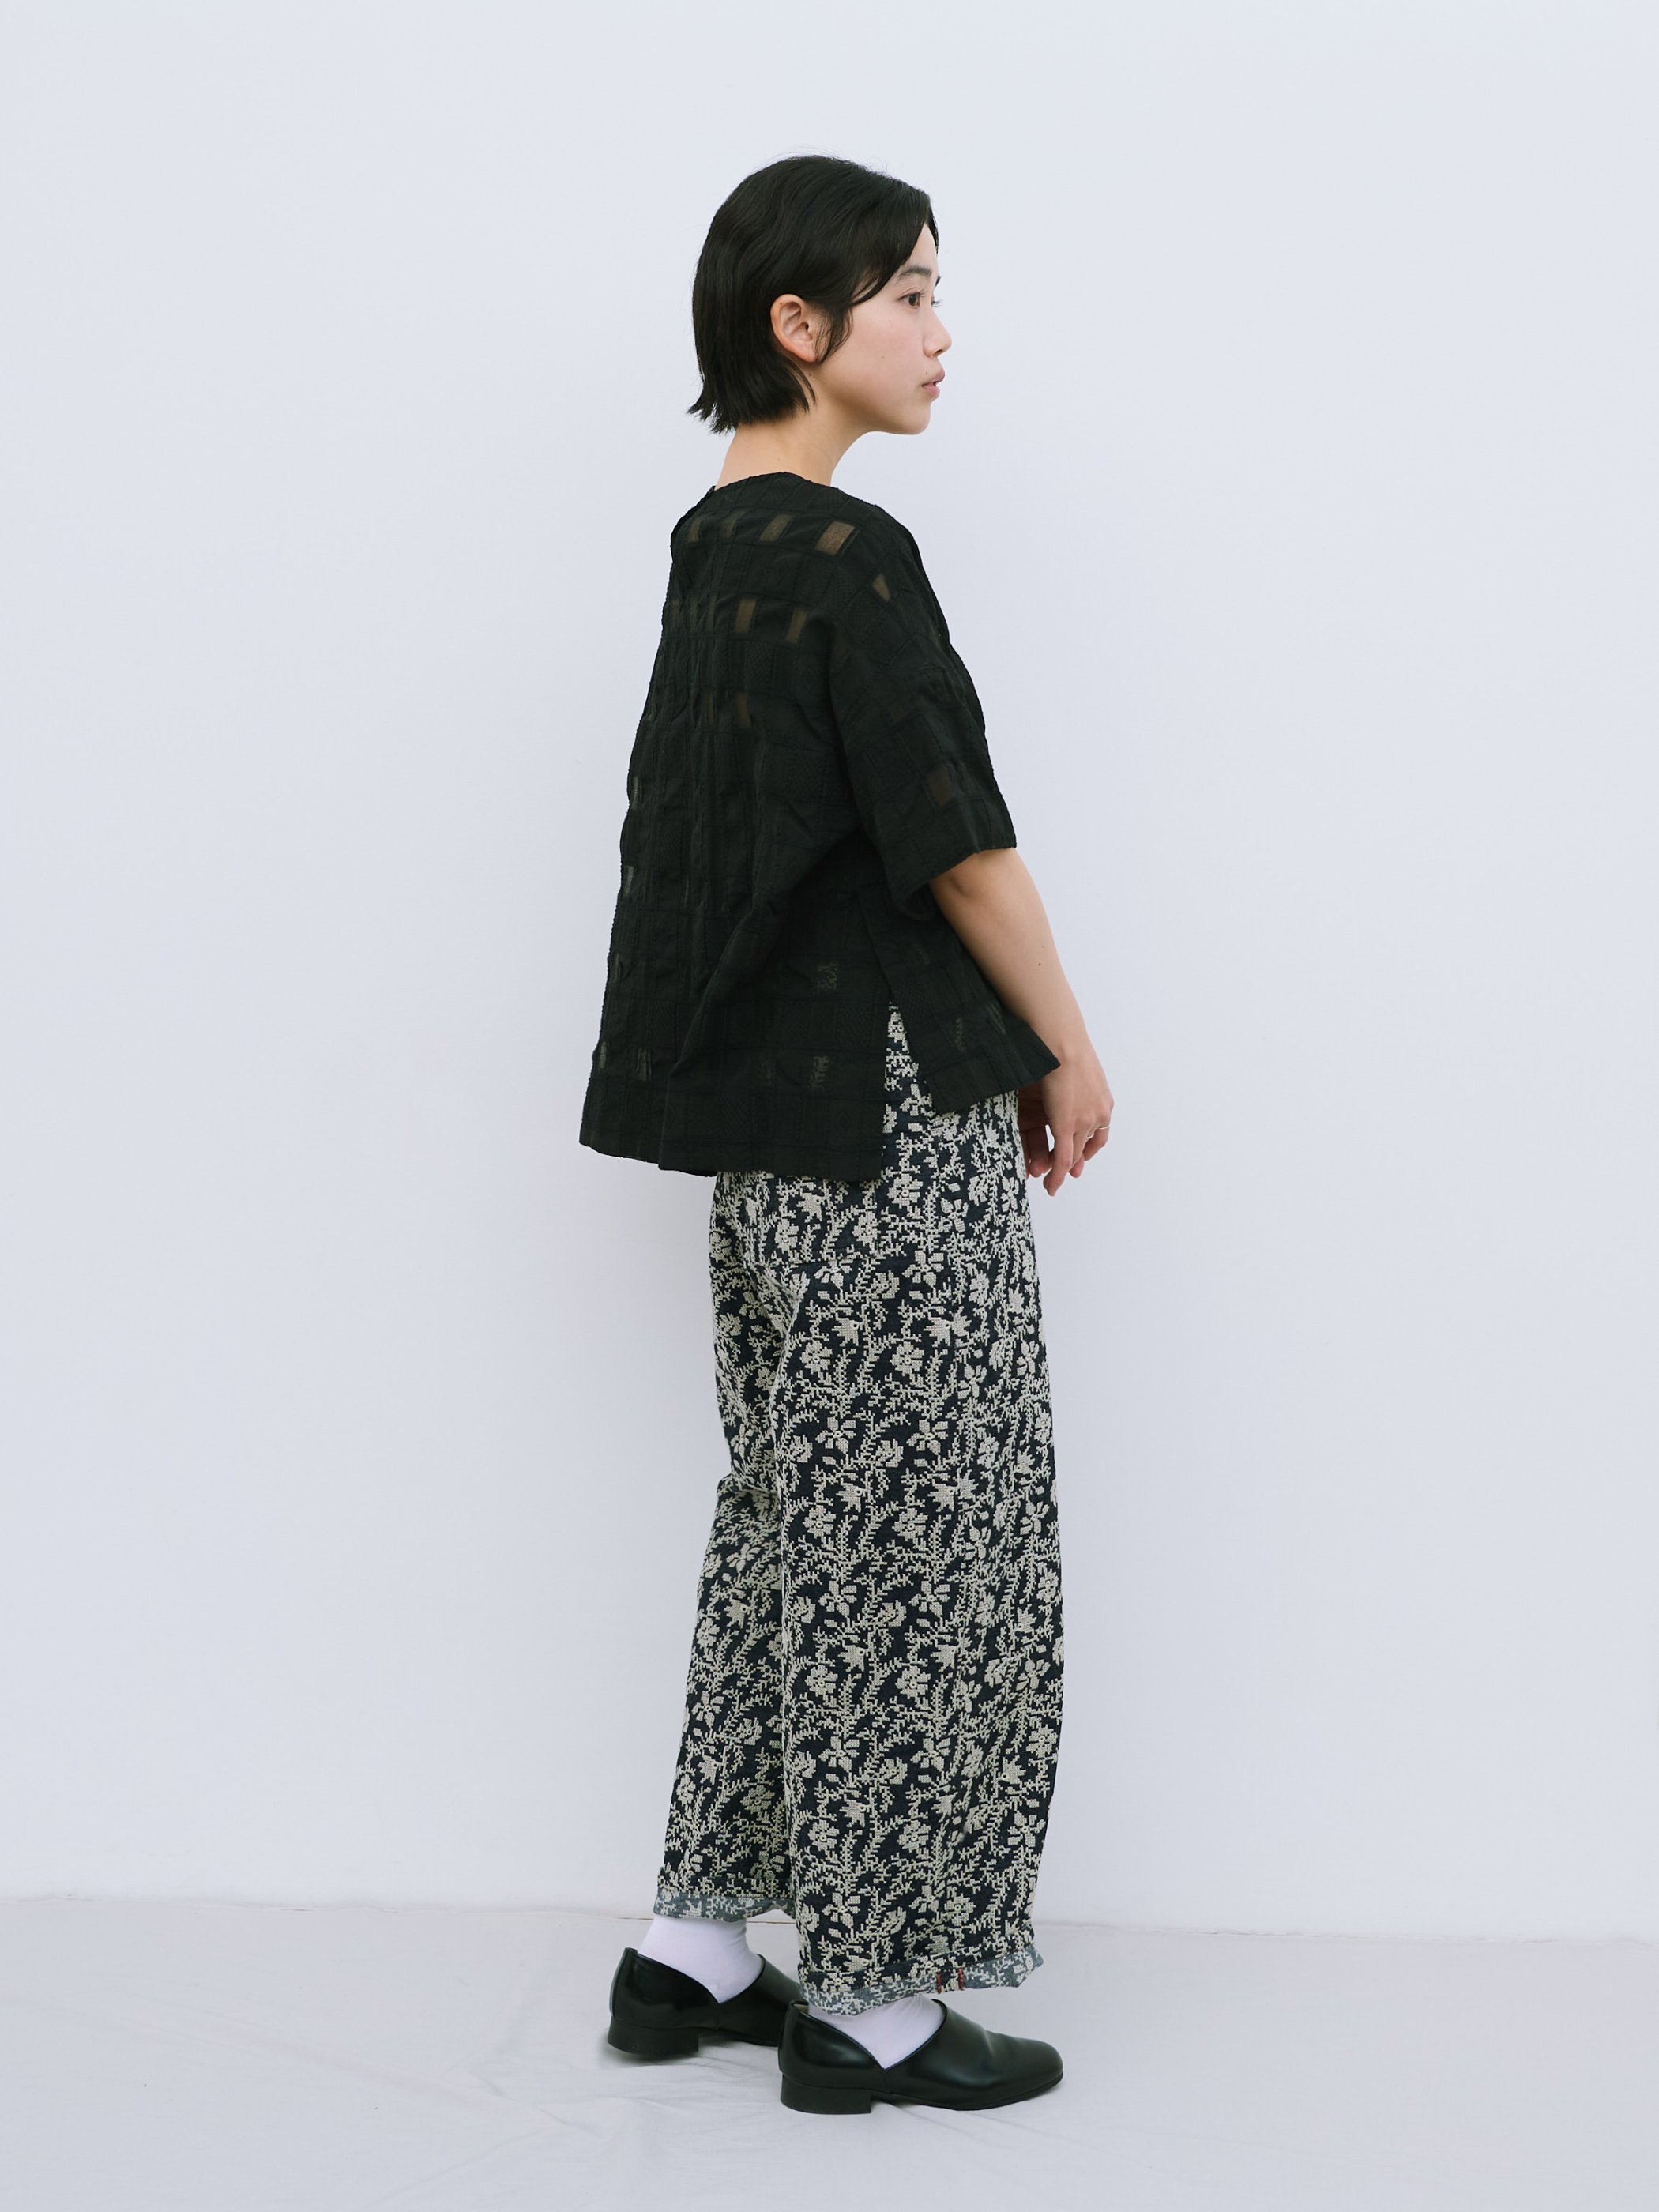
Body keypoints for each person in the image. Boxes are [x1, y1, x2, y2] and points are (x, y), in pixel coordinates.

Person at [581, 153, 1114, 2115]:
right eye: (908, 295)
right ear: (798, 326)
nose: (940, 331)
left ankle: (695, 1942)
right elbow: (957, 847)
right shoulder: (846, 554)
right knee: (919, 1530)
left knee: (795, 1505)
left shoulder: (713, 547)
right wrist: (1068, 1045)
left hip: (768, 1121)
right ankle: (872, 1996)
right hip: (886, 1115)